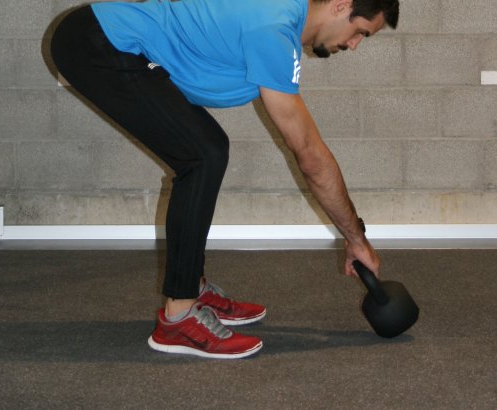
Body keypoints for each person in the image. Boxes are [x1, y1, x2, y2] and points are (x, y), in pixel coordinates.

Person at [50, 0, 399, 359]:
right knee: (202, 156)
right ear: (341, 6)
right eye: (360, 32)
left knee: (208, 148)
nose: (354, 44)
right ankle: (179, 318)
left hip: (107, 39)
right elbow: (310, 155)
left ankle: (192, 289)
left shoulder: (282, 19)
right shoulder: (274, 30)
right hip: (100, 43)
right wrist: (356, 238)